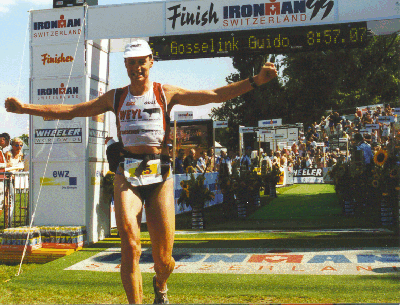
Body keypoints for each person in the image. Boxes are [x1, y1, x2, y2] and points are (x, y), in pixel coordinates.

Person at [5, 38, 277, 304]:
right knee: (130, 244)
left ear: (151, 62)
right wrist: (25, 108)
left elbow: (214, 95)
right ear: (125, 65)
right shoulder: (116, 97)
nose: (137, 68)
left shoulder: (164, 93)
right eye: (131, 63)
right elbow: (75, 110)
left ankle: (161, 284)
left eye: (141, 62)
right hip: (127, 173)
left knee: (163, 259)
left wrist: (255, 81)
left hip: (160, 174)